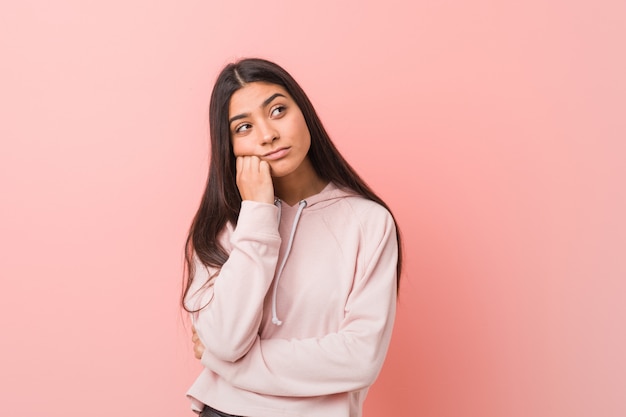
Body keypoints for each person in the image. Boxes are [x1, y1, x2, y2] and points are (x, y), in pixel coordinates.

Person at [182, 57, 402, 417]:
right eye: (243, 127)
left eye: (278, 110)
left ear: (305, 114)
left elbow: (360, 359)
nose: (267, 134)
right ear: (230, 146)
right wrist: (257, 215)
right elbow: (224, 339)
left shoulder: (369, 222)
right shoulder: (220, 228)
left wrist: (229, 365)